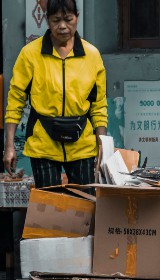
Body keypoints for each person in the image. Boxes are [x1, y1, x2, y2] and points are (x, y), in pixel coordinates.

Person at [2, 0, 107, 187]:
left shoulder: (92, 55)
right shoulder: (30, 54)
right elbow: (15, 101)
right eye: (56, 20)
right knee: (48, 208)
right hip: (43, 144)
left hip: (82, 145)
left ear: (77, 18)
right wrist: (9, 146)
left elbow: (98, 105)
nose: (63, 26)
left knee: (86, 207)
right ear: (47, 21)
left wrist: (102, 147)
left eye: (68, 19)